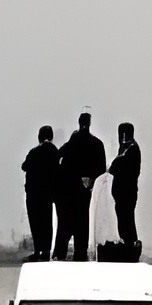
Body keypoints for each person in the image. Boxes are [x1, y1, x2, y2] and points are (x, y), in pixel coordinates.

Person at [56, 111, 107, 262]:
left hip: (68, 189)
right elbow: (101, 168)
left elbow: (59, 159)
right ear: (90, 123)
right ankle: (80, 254)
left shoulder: (72, 142)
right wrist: (89, 179)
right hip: (85, 191)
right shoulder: (97, 143)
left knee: (65, 223)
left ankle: (60, 253)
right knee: (82, 223)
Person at [21, 126, 60, 260]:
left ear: (39, 136)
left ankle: (38, 251)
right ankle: (47, 251)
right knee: (46, 222)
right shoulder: (55, 151)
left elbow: (24, 166)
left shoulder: (34, 151)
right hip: (48, 193)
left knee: (36, 222)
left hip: (34, 193)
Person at [112, 121, 141, 253]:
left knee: (126, 218)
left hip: (126, 192)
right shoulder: (128, 148)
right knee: (125, 217)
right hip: (124, 192)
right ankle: (128, 242)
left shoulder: (131, 148)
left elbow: (118, 165)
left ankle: (130, 244)